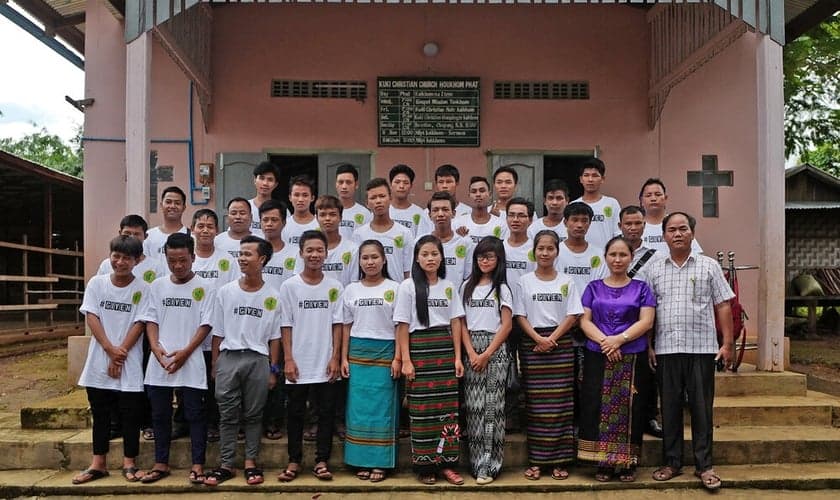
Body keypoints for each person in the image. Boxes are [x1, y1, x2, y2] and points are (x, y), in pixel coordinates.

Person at [647, 212, 734, 491]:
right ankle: (671, 462)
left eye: (683, 228)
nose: (678, 234)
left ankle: (704, 465)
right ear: (664, 236)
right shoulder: (654, 268)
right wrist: (648, 345)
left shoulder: (708, 266)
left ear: (692, 233)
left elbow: (723, 306)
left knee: (701, 409)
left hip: (701, 350)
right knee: (670, 409)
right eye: (671, 230)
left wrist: (728, 343)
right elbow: (648, 312)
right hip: (666, 349)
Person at [205, 236, 282, 487]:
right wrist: (216, 363)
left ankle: (251, 462)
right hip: (229, 357)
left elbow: (275, 337)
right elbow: (218, 331)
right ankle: (226, 464)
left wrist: (273, 370)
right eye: (240, 253)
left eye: (248, 254)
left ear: (262, 260)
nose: (242, 258)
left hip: (258, 360)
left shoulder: (272, 295)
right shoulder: (226, 292)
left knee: (253, 414)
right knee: (227, 414)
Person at [577, 236, 656, 483]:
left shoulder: (642, 288)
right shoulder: (593, 287)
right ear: (606, 257)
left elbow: (647, 321)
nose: (618, 259)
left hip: (631, 356)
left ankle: (627, 463)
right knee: (596, 405)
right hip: (597, 354)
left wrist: (619, 340)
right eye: (613, 254)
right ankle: (602, 462)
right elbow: (584, 320)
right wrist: (606, 342)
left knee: (630, 407)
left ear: (631, 258)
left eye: (623, 255)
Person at [73, 235, 149, 485]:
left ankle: (130, 462)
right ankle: (98, 463)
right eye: (116, 256)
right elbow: (92, 316)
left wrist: (121, 352)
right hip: (99, 360)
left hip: (130, 360)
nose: (120, 262)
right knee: (101, 413)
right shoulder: (97, 283)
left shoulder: (142, 289)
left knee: (130, 414)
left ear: (137, 260)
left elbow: (140, 322)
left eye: (127, 257)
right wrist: (109, 349)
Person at [139, 233, 213, 485]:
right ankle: (160, 463)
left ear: (193, 257)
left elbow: (205, 324)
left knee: (194, 413)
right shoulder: (157, 286)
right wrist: (155, 349)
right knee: (159, 414)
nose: (178, 266)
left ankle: (197, 464)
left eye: (183, 260)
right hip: (160, 360)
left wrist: (185, 353)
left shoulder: (205, 287)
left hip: (191, 359)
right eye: (172, 261)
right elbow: (151, 319)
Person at [394, 235, 466, 486]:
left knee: (447, 412)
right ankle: (425, 465)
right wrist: (405, 360)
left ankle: (447, 464)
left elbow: (456, 321)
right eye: (425, 254)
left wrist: (458, 357)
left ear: (442, 257)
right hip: (419, 351)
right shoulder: (407, 287)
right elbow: (402, 325)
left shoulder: (448, 285)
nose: (430, 258)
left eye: (434, 254)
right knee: (421, 411)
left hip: (444, 351)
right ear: (416, 257)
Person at [513, 230, 582, 481]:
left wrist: (552, 339)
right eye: (540, 248)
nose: (544, 253)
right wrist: (538, 339)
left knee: (561, 404)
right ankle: (537, 461)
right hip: (533, 346)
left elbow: (573, 314)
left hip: (560, 345)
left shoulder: (567, 281)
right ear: (534, 251)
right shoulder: (524, 281)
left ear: (557, 251)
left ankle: (560, 460)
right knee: (536, 405)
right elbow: (519, 315)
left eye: (550, 248)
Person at [277, 230, 344, 482]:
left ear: (326, 254)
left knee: (326, 412)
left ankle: (322, 460)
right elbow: (286, 324)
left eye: (319, 250)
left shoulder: (335, 286)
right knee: (295, 413)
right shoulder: (289, 286)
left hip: (326, 361)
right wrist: (289, 359)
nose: (314, 255)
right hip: (298, 361)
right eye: (310, 250)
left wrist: (335, 357)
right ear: (301, 253)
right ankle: (294, 461)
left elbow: (338, 324)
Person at [341, 240, 401, 483]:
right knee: (358, 409)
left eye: (375, 257)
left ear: (384, 260)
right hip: (358, 353)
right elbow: (346, 326)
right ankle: (359, 460)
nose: (370, 262)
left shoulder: (396, 288)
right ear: (359, 262)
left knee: (383, 408)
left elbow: (401, 326)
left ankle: (380, 462)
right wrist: (343, 357)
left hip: (386, 352)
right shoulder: (351, 289)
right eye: (365, 258)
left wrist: (398, 357)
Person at [460, 236, 513, 485]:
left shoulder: (502, 288)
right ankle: (475, 462)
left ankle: (489, 465)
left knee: (491, 408)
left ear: (499, 259)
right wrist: (471, 352)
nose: (484, 260)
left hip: (495, 349)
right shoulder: (465, 287)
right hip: (471, 348)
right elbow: (460, 322)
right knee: (473, 408)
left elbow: (507, 325)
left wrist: (487, 353)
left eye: (490, 256)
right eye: (480, 256)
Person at [190, 209, 240, 443]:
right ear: (193, 229)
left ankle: (214, 423)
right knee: (188, 383)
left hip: (218, 334)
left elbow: (233, 295)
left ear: (217, 231)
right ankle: (186, 422)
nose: (205, 230)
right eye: (201, 226)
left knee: (215, 382)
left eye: (210, 226)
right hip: (189, 334)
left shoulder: (226, 261)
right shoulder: (187, 259)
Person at [618, 205, 664, 438]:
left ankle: (649, 417)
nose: (633, 228)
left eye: (638, 223)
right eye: (628, 223)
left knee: (648, 371)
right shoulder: (613, 252)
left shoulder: (657, 256)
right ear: (620, 226)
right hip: (616, 321)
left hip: (646, 319)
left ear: (644, 226)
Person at [257, 199, 299, 440]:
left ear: (284, 223)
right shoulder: (254, 251)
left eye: (274, 219)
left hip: (285, 323)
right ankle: (256, 420)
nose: (270, 224)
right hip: (257, 323)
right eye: (265, 220)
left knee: (279, 372)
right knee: (258, 373)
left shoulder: (294, 254)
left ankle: (276, 420)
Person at [353, 178, 414, 279]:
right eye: (373, 198)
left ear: (390, 198)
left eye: (382, 196)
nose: (378, 201)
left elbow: (408, 270)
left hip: (397, 292)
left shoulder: (404, 233)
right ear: (367, 203)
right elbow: (356, 270)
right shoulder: (359, 235)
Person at [296, 195, 358, 286]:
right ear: (316, 218)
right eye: (323, 215)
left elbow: (355, 284)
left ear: (340, 217)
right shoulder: (307, 248)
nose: (327, 219)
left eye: (332, 214)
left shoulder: (353, 249)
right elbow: (299, 281)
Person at [96, 214, 167, 284]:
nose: (131, 238)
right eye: (127, 233)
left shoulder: (156, 267)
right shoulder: (107, 265)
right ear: (120, 233)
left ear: (145, 236)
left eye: (136, 234)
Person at [639, 178, 703, 254]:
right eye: (648, 195)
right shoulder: (636, 226)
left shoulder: (677, 223)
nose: (653, 198)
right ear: (641, 200)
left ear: (665, 198)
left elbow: (697, 254)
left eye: (658, 194)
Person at [571, 158, 621, 249]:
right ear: (581, 179)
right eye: (586, 175)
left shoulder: (612, 204)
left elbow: (618, 234)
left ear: (602, 179)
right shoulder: (573, 205)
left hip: (606, 259)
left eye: (595, 175)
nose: (590, 179)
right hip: (580, 258)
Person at [427, 191, 474, 284]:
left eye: (445, 209)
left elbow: (469, 278)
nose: (440, 214)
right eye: (435, 210)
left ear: (453, 213)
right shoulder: (421, 242)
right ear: (430, 215)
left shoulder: (465, 243)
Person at [457, 176, 508, 244]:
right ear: (469, 195)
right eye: (474, 191)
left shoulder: (501, 225)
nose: (478, 194)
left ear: (490, 195)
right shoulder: (458, 223)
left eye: (482, 191)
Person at [389, 164, 433, 238]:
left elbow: (422, 240)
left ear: (411, 186)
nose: (401, 186)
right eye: (397, 182)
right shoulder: (383, 210)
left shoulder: (419, 213)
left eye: (406, 183)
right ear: (390, 184)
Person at [144, 186, 189, 257]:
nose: (172, 206)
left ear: (184, 208)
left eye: (177, 203)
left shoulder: (191, 236)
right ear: (161, 205)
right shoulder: (149, 236)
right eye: (168, 202)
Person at [335, 163, 372, 239]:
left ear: (356, 184)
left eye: (348, 182)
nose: (344, 186)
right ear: (336, 184)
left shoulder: (365, 214)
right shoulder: (326, 212)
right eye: (340, 182)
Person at [282, 175, 320, 246]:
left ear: (312, 198)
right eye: (296, 195)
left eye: (305, 195)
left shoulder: (320, 225)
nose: (300, 199)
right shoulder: (283, 225)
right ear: (290, 197)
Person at [248, 161, 280, 238]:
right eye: (262, 178)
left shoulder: (281, 209)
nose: (265, 183)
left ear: (276, 184)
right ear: (255, 180)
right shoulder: (245, 207)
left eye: (270, 179)